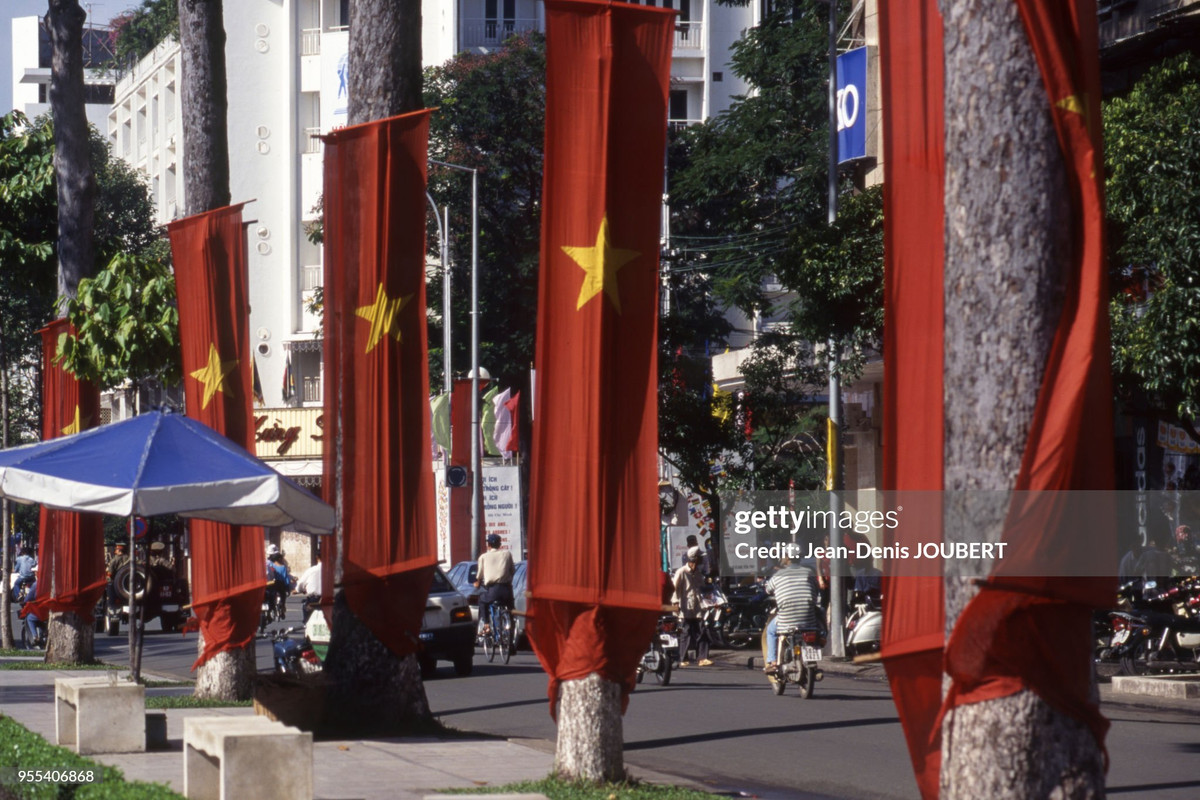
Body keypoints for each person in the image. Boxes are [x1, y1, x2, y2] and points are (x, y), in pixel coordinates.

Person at [763, 556, 822, 673]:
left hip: (786, 620)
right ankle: (822, 637)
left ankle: (773, 663)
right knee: (820, 614)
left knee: (770, 630)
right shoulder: (809, 572)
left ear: (787, 558)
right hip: (808, 620)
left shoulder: (779, 574)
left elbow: (768, 590)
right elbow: (816, 587)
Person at [672, 546, 712, 666]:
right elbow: (674, 589)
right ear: (694, 560)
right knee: (686, 633)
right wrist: (675, 603)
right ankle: (682, 659)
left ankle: (702, 658)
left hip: (697, 607)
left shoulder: (698, 573)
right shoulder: (681, 572)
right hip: (685, 606)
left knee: (702, 631)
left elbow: (701, 587)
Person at [474, 534, 514, 635]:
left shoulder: (483, 557)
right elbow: (512, 570)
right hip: (506, 590)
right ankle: (511, 638)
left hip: (493, 590)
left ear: (488, 545)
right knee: (510, 610)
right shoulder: (507, 554)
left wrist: (477, 583)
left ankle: (486, 625)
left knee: (482, 601)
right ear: (499, 544)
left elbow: (479, 575)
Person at [295, 552, 323, 622]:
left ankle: (306, 625)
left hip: (313, 600)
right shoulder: (333, 570)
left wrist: (298, 590)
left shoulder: (311, 570)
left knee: (307, 620)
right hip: (329, 601)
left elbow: (301, 584)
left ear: (317, 558)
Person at [266, 552, 294, 619]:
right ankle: (282, 607)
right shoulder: (283, 567)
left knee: (271, 596)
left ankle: (271, 610)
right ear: (279, 559)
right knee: (283, 596)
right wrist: (288, 587)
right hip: (281, 585)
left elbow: (271, 574)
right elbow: (285, 578)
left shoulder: (271, 566)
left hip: (273, 584)